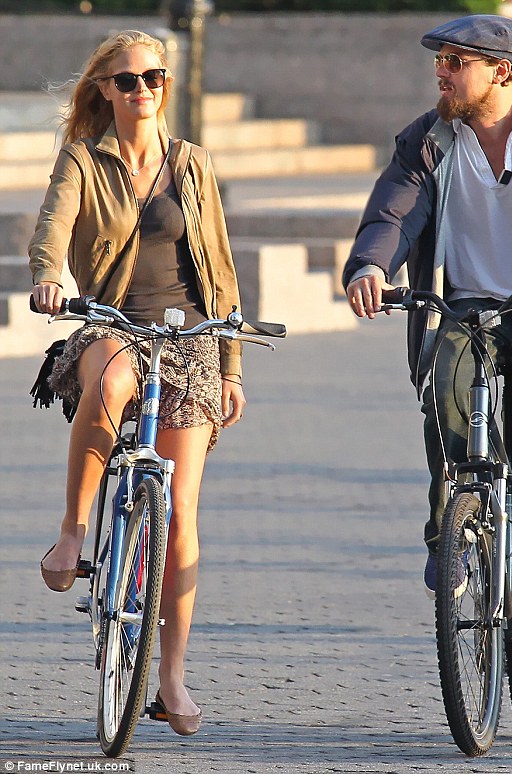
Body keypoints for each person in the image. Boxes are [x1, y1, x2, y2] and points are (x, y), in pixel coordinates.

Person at [343, 15, 512, 691]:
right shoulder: (428, 138)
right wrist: (371, 266)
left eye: (456, 61)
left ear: (503, 71)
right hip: (466, 309)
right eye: (439, 60)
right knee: (443, 404)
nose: (441, 72)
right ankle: (454, 532)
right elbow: (393, 212)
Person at [29, 30, 245, 735]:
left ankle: (171, 678)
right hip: (113, 323)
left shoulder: (192, 163)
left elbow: (220, 264)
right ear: (105, 89)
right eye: (127, 80)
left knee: (180, 516)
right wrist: (49, 278)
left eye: (154, 78)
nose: (142, 89)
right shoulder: (83, 159)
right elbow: (52, 227)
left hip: (189, 338)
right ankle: (73, 532)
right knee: (113, 376)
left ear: (165, 86)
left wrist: (231, 364)